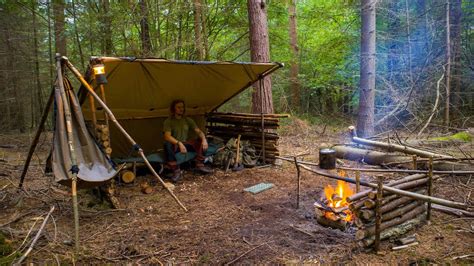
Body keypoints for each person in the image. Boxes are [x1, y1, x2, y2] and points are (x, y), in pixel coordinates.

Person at [163, 99, 212, 182]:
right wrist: (179, 143)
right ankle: (176, 170)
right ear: (173, 109)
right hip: (175, 145)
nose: (181, 109)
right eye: (178, 107)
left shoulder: (188, 120)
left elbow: (199, 131)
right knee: (167, 144)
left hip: (185, 143)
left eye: (182, 107)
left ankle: (200, 164)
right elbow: (167, 136)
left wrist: (204, 139)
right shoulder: (169, 121)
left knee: (201, 141)